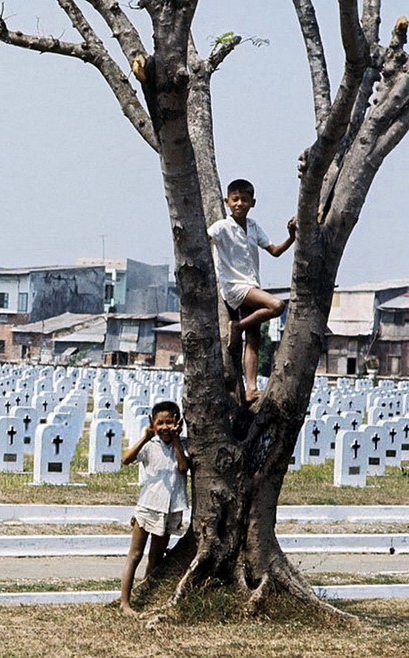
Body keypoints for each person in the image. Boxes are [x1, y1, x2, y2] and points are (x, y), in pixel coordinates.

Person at [207, 178, 296, 403]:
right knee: (277, 305)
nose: (239, 204)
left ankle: (251, 388)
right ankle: (237, 326)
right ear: (227, 202)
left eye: (244, 200)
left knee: (254, 340)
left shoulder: (254, 227)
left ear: (252, 202)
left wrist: (292, 237)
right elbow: (205, 237)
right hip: (234, 287)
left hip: (252, 284)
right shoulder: (222, 226)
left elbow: (274, 251)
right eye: (235, 199)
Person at [119, 400, 189, 616]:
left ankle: (144, 594)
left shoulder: (184, 444)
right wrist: (146, 436)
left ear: (178, 423)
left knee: (156, 558)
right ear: (152, 423)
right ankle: (125, 602)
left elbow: (183, 467)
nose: (165, 427)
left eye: (170, 422)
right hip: (148, 506)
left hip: (170, 508)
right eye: (160, 423)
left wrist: (177, 440)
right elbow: (126, 459)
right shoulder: (150, 445)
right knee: (135, 554)